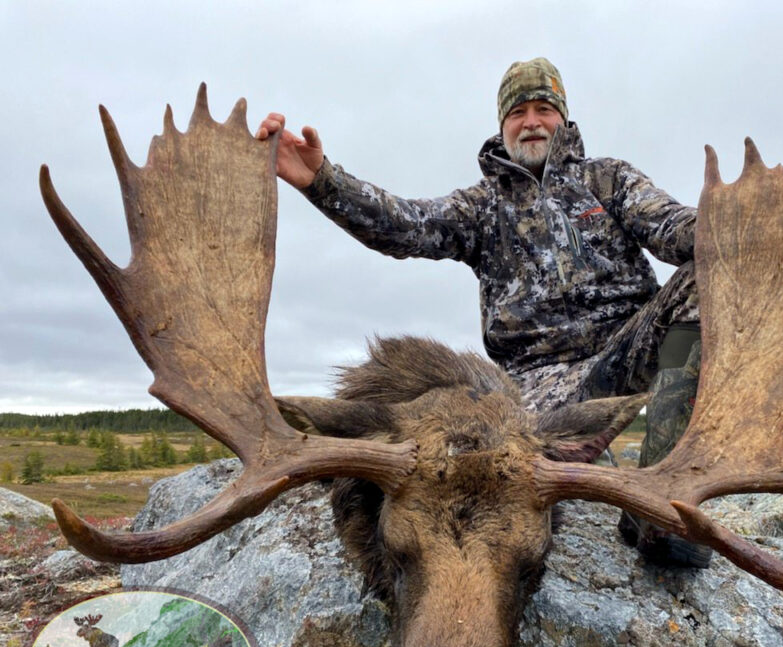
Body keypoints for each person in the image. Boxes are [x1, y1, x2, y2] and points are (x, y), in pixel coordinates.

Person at [257, 58, 709, 567]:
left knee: (704, 279)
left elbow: (674, 227)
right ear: (503, 125)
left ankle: (663, 508)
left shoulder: (609, 180)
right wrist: (321, 180)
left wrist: (733, 225)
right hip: (533, 389)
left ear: (563, 119)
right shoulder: (482, 205)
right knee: (495, 468)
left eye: (543, 109)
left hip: (627, 351)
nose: (532, 122)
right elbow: (406, 224)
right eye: (518, 112)